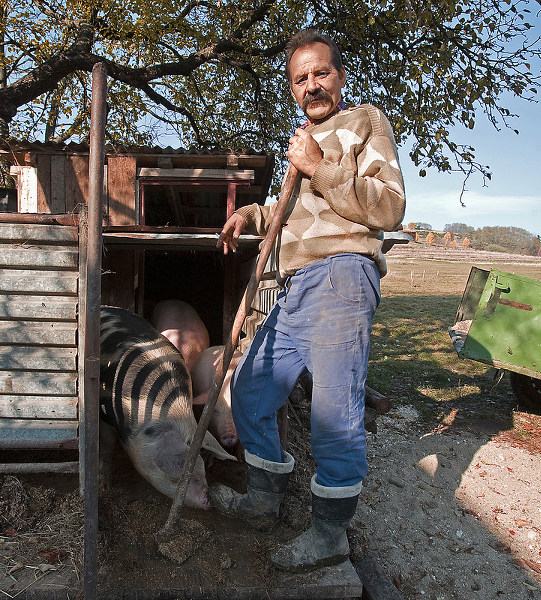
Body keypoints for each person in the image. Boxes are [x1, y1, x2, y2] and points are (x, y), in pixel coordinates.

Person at [211, 29, 406, 572]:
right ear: (293, 89)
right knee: (251, 390)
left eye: (321, 72)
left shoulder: (364, 122)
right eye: (301, 78)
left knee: (333, 413)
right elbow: (290, 211)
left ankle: (329, 534)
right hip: (296, 285)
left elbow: (388, 207)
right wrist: (250, 215)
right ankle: (263, 500)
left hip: (342, 276)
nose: (312, 84)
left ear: (340, 76)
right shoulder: (302, 140)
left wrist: (320, 164)